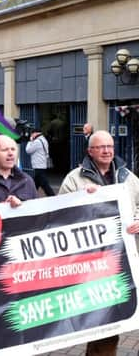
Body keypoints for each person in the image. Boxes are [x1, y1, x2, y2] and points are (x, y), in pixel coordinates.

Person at [58, 130, 139, 356]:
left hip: (120, 261)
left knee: (111, 318)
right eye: (101, 147)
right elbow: (58, 215)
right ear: (89, 151)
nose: (106, 151)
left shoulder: (127, 176)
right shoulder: (75, 179)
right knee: (94, 317)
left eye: (110, 146)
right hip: (89, 263)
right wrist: (80, 200)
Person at [25, 129, 55, 196]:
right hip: (42, 163)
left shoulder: (37, 142)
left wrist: (30, 141)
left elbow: (28, 150)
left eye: (32, 134)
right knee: (36, 182)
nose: (31, 135)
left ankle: (52, 195)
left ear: (35, 133)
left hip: (38, 164)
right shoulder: (44, 140)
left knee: (44, 183)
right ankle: (31, 195)